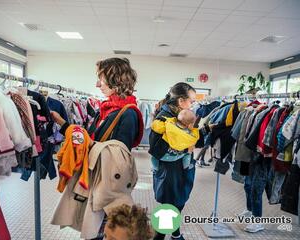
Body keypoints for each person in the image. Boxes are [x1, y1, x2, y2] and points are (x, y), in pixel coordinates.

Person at [51, 57, 144, 239]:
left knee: (99, 233)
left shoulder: (128, 114)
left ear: (115, 80)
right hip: (98, 184)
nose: (97, 84)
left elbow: (116, 161)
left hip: (106, 192)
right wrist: (64, 126)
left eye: (100, 78)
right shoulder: (107, 109)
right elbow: (91, 140)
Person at [149, 82, 208, 240]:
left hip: (178, 169)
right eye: (191, 100)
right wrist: (184, 148)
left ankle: (175, 233)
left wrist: (203, 132)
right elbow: (156, 149)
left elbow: (190, 137)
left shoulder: (178, 115)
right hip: (171, 171)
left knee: (177, 202)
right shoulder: (165, 118)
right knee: (171, 205)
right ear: (181, 101)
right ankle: (162, 237)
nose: (193, 103)